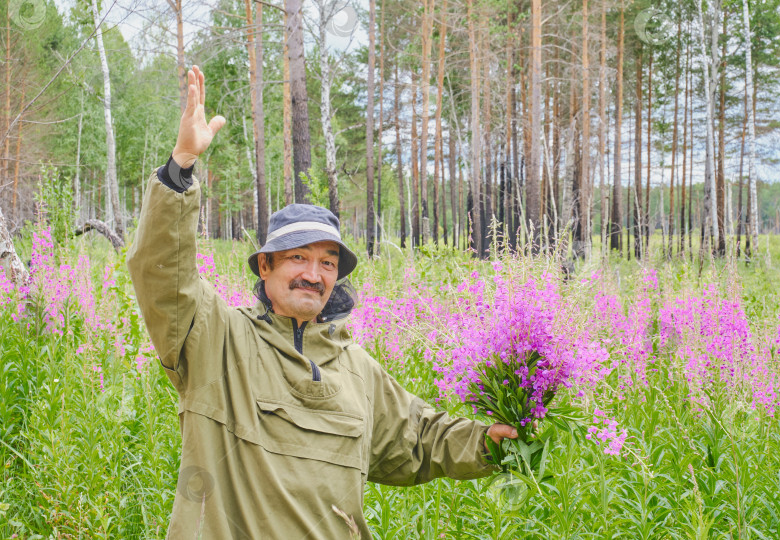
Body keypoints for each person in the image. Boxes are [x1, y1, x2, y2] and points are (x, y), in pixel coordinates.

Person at [127, 65, 517, 539]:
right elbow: (161, 272)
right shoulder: (214, 338)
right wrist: (181, 166)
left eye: (328, 263)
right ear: (265, 266)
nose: (314, 274)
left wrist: (489, 442)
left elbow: (418, 440)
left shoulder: (357, 369)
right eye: (298, 258)